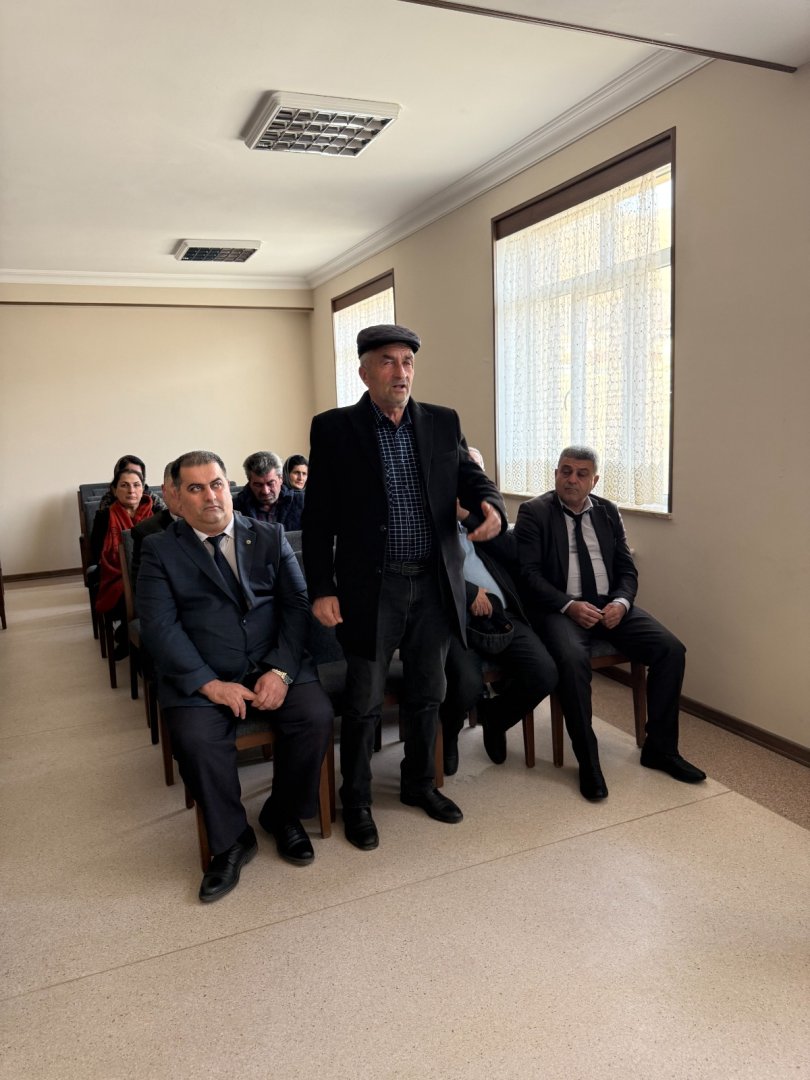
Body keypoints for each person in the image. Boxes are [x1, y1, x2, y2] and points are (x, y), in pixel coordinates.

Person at [303, 323, 507, 851]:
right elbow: (318, 517)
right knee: (365, 700)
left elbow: (470, 478)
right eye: (388, 361)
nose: (401, 372)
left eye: (408, 362)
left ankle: (420, 784)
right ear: (364, 372)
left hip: (434, 584)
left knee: (428, 693)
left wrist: (491, 506)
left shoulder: (442, 421)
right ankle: (357, 801)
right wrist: (322, 587)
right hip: (373, 588)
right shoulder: (334, 429)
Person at [137, 450, 333, 903]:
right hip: (202, 673)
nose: (210, 495)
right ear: (176, 498)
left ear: (230, 488)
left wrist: (280, 671)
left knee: (314, 716)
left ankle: (282, 813)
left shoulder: (268, 535)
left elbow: (297, 605)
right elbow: (160, 627)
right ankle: (231, 841)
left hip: (272, 662)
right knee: (197, 739)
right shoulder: (159, 550)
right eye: (196, 488)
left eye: (217, 484)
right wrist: (209, 683)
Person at [514, 445, 705, 801]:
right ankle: (588, 760)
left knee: (670, 650)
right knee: (571, 660)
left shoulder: (608, 511)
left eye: (581, 473)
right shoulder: (534, 512)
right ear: (555, 473)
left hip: (609, 606)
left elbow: (627, 569)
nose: (571, 479)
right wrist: (569, 605)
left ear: (595, 480)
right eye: (565, 471)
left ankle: (660, 749)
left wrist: (621, 602)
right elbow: (528, 575)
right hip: (561, 609)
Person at [439, 449, 557, 775]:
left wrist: (467, 517)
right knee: (465, 684)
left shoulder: (485, 512)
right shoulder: (427, 512)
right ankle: (449, 733)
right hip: (454, 620)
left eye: (477, 472)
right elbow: (424, 572)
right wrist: (469, 592)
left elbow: (512, 553)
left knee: (544, 673)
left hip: (501, 616)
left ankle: (495, 718)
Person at [91, 466, 156, 658]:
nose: (131, 490)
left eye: (136, 485)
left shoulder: (157, 512)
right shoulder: (104, 516)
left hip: (151, 572)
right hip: (115, 574)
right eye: (124, 485)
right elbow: (95, 553)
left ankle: (128, 635)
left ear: (143, 488)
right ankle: (132, 638)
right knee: (130, 597)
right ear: (114, 490)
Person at [130, 459, 182, 583]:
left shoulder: (214, 524)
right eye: (176, 487)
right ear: (164, 491)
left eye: (193, 488)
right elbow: (144, 587)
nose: (183, 494)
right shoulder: (146, 533)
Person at [233, 450, 304, 530]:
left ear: (281, 479)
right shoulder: (235, 508)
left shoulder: (302, 502)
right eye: (258, 485)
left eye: (270, 483)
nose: (265, 491)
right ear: (249, 482)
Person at [96, 455, 162, 513]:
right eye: (128, 472)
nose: (131, 490)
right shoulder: (108, 502)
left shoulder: (151, 498)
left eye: (138, 474)